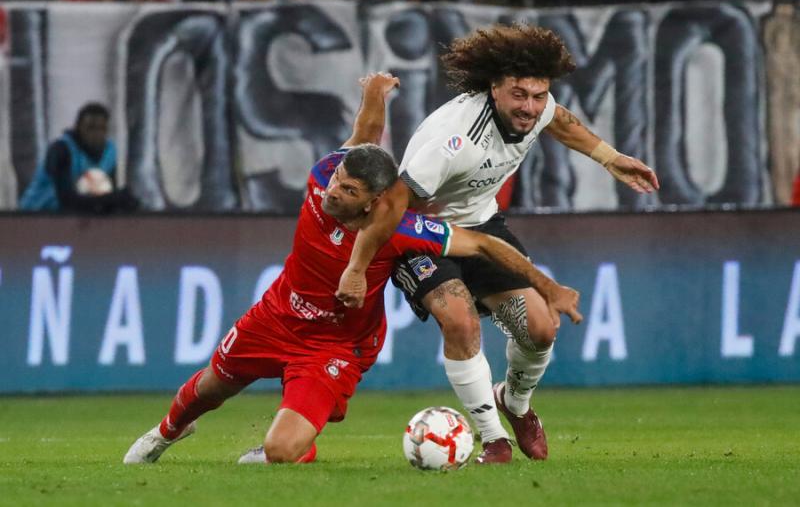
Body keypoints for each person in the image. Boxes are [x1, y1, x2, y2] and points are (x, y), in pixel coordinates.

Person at [123, 72, 582, 465]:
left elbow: (482, 244)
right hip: (277, 315)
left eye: (349, 190)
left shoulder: (402, 227)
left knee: (283, 451)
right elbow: (364, 134)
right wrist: (375, 92)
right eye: (339, 182)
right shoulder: (324, 175)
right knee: (210, 388)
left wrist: (547, 286)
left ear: (375, 203)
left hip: (335, 347)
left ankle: (291, 448)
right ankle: (167, 433)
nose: (334, 193)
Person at [336, 23, 659, 464]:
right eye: (519, 95)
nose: (530, 107)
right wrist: (356, 268)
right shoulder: (453, 141)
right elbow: (393, 205)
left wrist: (611, 159)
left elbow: (560, 121)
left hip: (482, 226)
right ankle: (493, 439)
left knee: (541, 329)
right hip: (422, 235)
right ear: (494, 88)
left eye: (538, 95)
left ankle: (516, 403)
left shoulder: (540, 108)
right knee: (461, 322)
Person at [19, 102, 138, 213]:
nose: (96, 134)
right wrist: (112, 199)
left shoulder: (110, 152)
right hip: (36, 215)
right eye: (90, 128)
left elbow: (108, 195)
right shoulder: (61, 150)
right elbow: (67, 201)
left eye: (102, 128)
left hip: (74, 220)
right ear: (78, 128)